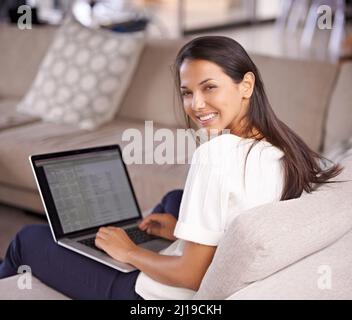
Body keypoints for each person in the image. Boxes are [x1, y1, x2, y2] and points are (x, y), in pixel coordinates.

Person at [0, 36, 342, 300]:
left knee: (29, 239)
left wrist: (129, 252)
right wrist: (179, 231)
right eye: (187, 92)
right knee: (172, 200)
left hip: (150, 295)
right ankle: (160, 234)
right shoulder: (282, 146)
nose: (196, 105)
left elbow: (192, 275)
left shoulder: (217, 156)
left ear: (246, 86)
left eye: (209, 87)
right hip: (197, 269)